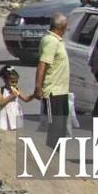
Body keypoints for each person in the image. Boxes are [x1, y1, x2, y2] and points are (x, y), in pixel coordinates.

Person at [34, 12, 70, 147]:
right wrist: (38, 87)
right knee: (55, 126)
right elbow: (42, 64)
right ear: (62, 26)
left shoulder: (57, 40)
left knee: (61, 127)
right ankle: (51, 155)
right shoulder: (50, 41)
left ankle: (57, 155)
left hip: (61, 91)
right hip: (52, 92)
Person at [0, 66, 32, 131]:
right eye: (12, 82)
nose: (14, 84)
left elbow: (26, 99)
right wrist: (12, 95)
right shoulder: (0, 90)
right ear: (5, 80)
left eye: (16, 82)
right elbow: (0, 103)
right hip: (4, 114)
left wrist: (34, 95)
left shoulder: (16, 89)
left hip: (15, 113)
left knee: (15, 130)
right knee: (4, 129)